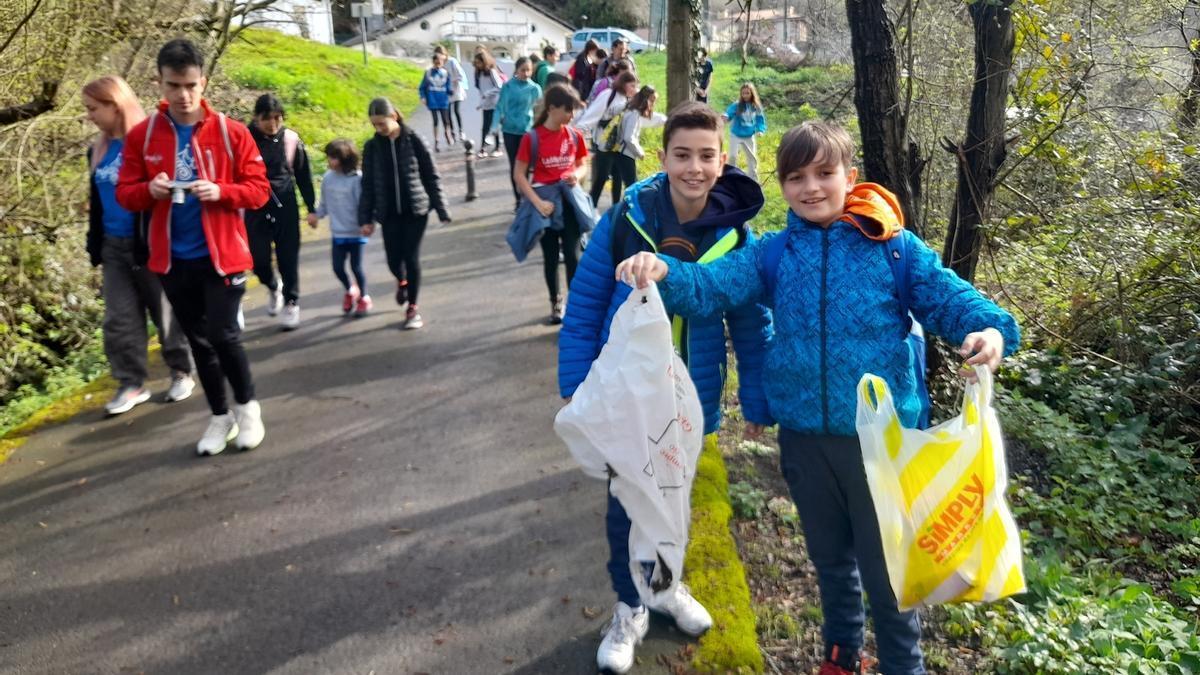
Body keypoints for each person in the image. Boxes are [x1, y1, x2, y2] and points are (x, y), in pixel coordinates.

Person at [614, 120, 1021, 675]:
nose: (811, 187)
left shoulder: (894, 250)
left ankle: (905, 666)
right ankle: (841, 655)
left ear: (849, 177)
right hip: (805, 440)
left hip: (880, 447)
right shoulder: (775, 254)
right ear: (782, 185)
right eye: (796, 176)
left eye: (824, 173)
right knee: (831, 564)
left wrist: (991, 332)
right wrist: (661, 269)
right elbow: (711, 288)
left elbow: (956, 302)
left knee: (888, 578)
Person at [559, 102, 772, 675]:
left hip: (691, 399)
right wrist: (576, 384)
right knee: (626, 503)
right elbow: (584, 306)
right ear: (664, 158)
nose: (695, 168)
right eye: (683, 155)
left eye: (707, 156)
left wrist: (755, 397)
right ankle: (629, 609)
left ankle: (663, 588)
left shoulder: (736, 235)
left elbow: (751, 323)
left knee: (675, 502)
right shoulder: (627, 219)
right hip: (625, 396)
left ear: (723, 160)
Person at [117, 38, 270, 456]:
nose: (183, 96)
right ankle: (219, 417)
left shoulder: (231, 132)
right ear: (159, 85)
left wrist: (221, 191)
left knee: (223, 334)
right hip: (171, 258)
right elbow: (126, 194)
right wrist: (149, 188)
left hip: (222, 255)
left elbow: (258, 191)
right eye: (173, 86)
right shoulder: (143, 137)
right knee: (199, 341)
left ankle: (247, 409)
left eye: (190, 85)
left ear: (203, 82)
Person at [83, 75, 194, 415]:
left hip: (149, 241)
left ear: (115, 105)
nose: (89, 116)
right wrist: (95, 243)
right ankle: (131, 383)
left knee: (164, 310)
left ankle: (180, 369)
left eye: (93, 108)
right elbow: (97, 201)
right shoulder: (97, 149)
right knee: (118, 317)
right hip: (113, 245)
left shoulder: (148, 142)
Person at [359, 97, 451, 330]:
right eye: (374, 125)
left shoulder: (414, 139)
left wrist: (441, 209)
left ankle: (413, 307)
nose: (378, 129)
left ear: (394, 116)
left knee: (411, 257)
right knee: (393, 259)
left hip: (415, 210)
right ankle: (402, 281)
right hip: (388, 212)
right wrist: (366, 218)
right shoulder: (372, 147)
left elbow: (431, 174)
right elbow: (368, 185)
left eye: (382, 123)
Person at [512, 84, 590, 324]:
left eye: (574, 110)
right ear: (552, 108)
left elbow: (583, 163)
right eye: (568, 110)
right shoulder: (531, 138)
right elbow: (519, 175)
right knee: (550, 257)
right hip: (543, 205)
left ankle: (575, 305)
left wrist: (577, 174)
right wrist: (537, 203)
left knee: (573, 254)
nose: (571, 116)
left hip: (569, 201)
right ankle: (555, 302)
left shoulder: (574, 135)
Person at [245, 93, 317, 330]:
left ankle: (291, 301)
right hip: (254, 207)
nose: (273, 124)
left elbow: (304, 176)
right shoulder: (244, 139)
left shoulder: (290, 139)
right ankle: (272, 286)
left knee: (288, 256)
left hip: (285, 205)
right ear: (256, 118)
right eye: (267, 118)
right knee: (258, 260)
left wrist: (311, 207)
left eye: (278, 118)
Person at [306, 139, 370, 317]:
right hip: (338, 232)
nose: (330, 161)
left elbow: (364, 205)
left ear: (345, 158)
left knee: (356, 267)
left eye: (334, 158)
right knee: (337, 267)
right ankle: (350, 290)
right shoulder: (328, 178)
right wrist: (315, 216)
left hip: (356, 232)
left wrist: (367, 222)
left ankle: (364, 297)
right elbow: (324, 204)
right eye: (329, 157)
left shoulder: (357, 178)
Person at [575, 71, 639, 209]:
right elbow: (592, 115)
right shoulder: (609, 95)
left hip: (618, 147)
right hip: (604, 145)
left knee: (617, 178)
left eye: (636, 86)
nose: (634, 89)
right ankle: (589, 211)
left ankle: (615, 210)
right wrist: (576, 133)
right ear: (623, 84)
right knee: (601, 179)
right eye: (632, 85)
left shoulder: (627, 100)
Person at [497, 56, 543, 208]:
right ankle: (518, 199)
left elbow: (540, 110)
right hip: (509, 130)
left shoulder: (534, 88)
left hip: (527, 131)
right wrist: (493, 128)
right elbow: (500, 107)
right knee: (514, 165)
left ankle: (526, 195)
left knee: (528, 165)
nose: (526, 73)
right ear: (516, 70)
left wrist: (541, 129)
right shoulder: (508, 86)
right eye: (523, 70)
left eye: (528, 70)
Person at [609, 85, 666, 202]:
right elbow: (628, 137)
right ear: (647, 100)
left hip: (618, 152)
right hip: (625, 154)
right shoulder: (634, 114)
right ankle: (630, 210)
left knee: (619, 182)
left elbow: (650, 119)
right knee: (633, 185)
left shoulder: (631, 109)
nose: (653, 104)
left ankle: (616, 207)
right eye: (653, 101)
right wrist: (640, 152)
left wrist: (666, 119)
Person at [724, 82, 767, 181]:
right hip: (736, 134)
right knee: (733, 156)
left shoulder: (756, 106)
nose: (745, 95)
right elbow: (729, 112)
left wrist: (760, 130)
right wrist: (726, 116)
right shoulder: (737, 105)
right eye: (743, 93)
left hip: (749, 136)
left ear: (752, 93)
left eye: (747, 93)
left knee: (752, 158)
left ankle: (753, 179)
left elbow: (760, 119)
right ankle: (731, 177)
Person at [419, 52, 455, 152]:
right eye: (436, 63)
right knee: (435, 121)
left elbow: (448, 87)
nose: (438, 65)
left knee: (446, 120)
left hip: (443, 100)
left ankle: (448, 135)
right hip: (433, 100)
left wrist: (451, 91)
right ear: (433, 62)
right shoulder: (428, 73)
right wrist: (423, 97)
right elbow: (422, 87)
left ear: (442, 63)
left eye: (440, 63)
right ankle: (436, 140)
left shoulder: (446, 73)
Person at [472, 49, 504, 158]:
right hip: (486, 105)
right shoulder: (479, 74)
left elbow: (499, 86)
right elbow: (481, 91)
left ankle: (498, 147)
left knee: (494, 126)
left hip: (495, 104)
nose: (477, 65)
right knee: (485, 127)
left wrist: (488, 93)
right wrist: (480, 103)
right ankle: (483, 148)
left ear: (484, 61)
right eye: (476, 63)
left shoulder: (491, 72)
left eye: (479, 62)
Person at [434, 45, 469, 142]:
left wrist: (451, 81)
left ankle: (461, 131)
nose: (440, 58)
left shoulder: (452, 61)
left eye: (441, 55)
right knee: (447, 113)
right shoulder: (439, 64)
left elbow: (460, 76)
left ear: (444, 54)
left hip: (456, 90)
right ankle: (452, 132)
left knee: (456, 111)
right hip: (446, 93)